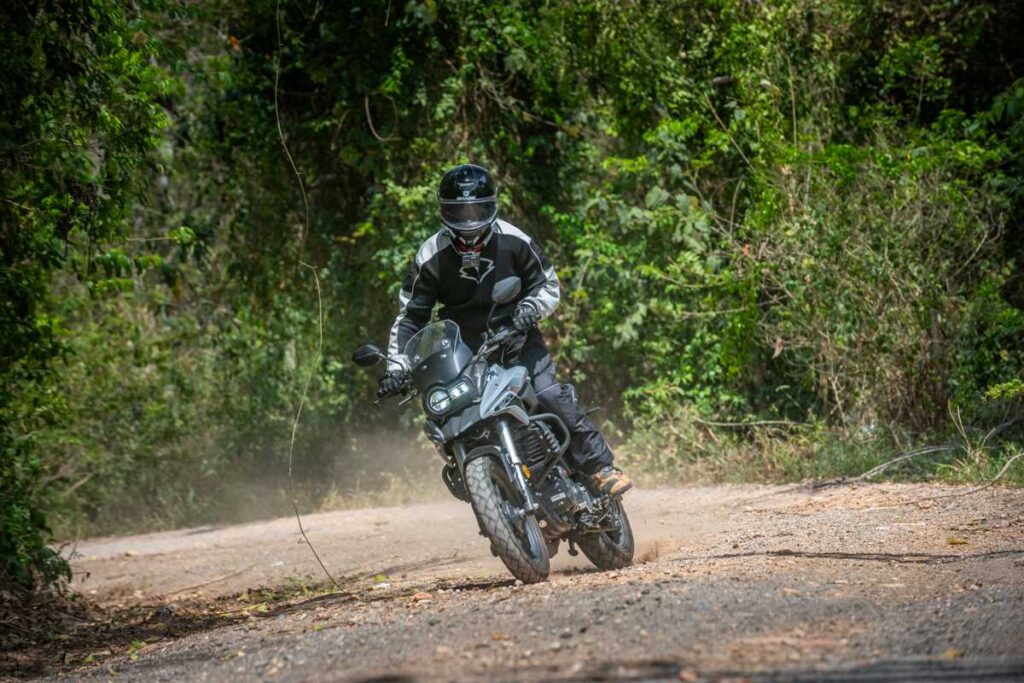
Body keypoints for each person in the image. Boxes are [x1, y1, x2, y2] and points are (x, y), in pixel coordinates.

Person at [379, 163, 632, 496]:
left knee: (547, 395)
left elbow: (548, 285)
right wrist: (397, 368)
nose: (469, 221)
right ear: (444, 211)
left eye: (476, 209)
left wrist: (530, 308)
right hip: (465, 356)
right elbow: (411, 316)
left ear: (491, 205)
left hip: (517, 339)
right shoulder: (432, 255)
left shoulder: (514, 240)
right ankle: (496, 493)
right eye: (460, 211)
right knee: (450, 416)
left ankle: (601, 468)